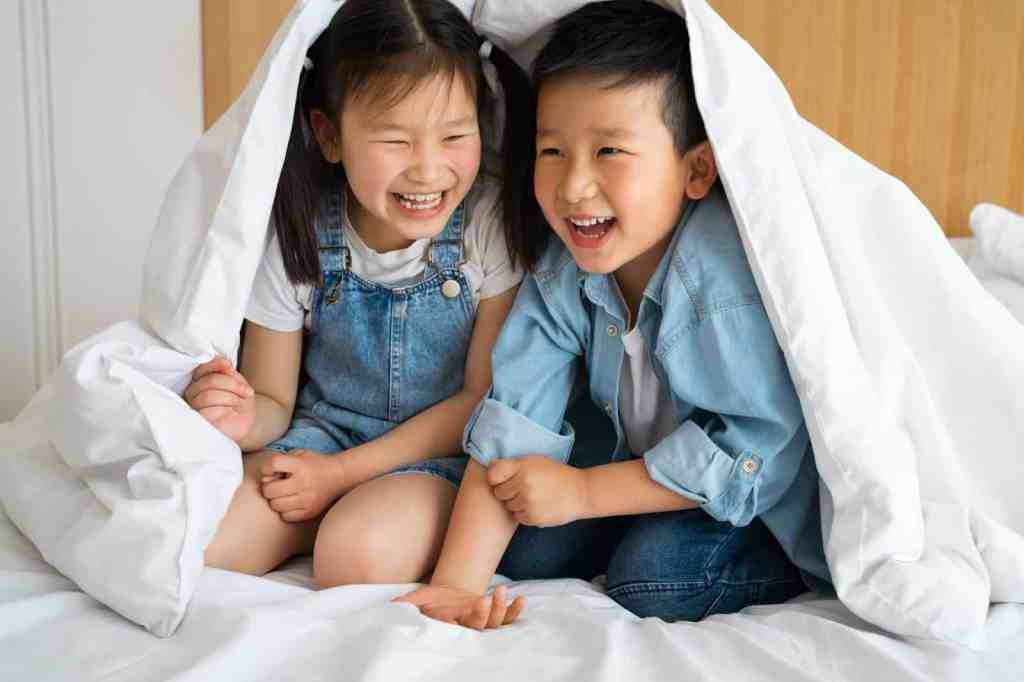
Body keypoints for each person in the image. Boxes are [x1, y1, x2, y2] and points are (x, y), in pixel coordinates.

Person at [397, 0, 831, 629]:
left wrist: (583, 494)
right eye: (552, 152)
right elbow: (513, 419)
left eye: (609, 152)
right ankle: (619, 519)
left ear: (697, 169)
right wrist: (456, 587)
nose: (573, 187)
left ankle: (774, 566)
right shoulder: (563, 270)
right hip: (641, 476)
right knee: (520, 537)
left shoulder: (721, 282)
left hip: (753, 502)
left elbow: (751, 450)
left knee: (654, 579)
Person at [184, 0, 529, 611]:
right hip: (323, 437)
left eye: (454, 135)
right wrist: (242, 419)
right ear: (328, 135)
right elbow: (274, 400)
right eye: (395, 139)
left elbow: (481, 400)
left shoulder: (488, 226)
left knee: (354, 559)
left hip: (439, 457)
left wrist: (342, 479)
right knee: (203, 539)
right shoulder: (298, 232)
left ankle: (341, 513)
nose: (428, 170)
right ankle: (318, 510)